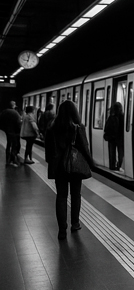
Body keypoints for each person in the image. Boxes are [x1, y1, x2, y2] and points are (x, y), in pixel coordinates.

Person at [45, 100, 95, 240]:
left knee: (61, 196)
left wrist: (52, 163)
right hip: (75, 167)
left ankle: (62, 230)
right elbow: (84, 147)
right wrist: (91, 164)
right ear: (75, 112)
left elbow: (48, 149)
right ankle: (75, 223)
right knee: (75, 194)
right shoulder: (78, 127)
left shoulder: (52, 127)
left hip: (59, 167)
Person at [103, 102, 125, 170]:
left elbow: (106, 128)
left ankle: (112, 166)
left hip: (112, 138)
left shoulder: (111, 117)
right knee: (121, 153)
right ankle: (119, 165)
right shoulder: (123, 117)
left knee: (112, 153)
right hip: (120, 138)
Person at [1, 100, 22, 167]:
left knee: (8, 145)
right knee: (14, 145)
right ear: (13, 105)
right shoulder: (15, 113)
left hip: (7, 131)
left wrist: (4, 129)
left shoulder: (4, 112)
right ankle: (12, 160)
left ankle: (7, 159)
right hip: (14, 132)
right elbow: (19, 122)